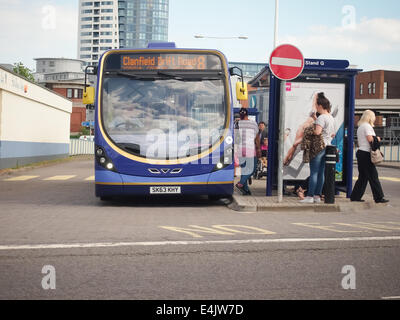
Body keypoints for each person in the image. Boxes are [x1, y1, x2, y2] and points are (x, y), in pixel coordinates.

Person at [300, 92, 335, 204]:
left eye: (316, 106)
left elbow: (317, 132)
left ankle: (309, 196)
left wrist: (310, 128)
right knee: (321, 173)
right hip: (327, 146)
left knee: (314, 172)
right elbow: (332, 134)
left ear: (320, 106)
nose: (316, 108)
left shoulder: (322, 118)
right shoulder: (331, 118)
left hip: (318, 147)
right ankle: (317, 196)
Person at [350, 110, 388, 203]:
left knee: (363, 177)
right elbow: (370, 140)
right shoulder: (367, 126)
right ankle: (379, 198)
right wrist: (377, 139)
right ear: (370, 117)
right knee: (373, 176)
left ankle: (355, 197)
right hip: (366, 153)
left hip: (361, 152)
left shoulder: (360, 127)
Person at [235, 108, 261, 195]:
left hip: (240, 149)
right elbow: (257, 138)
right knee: (252, 170)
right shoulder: (253, 123)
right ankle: (241, 183)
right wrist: (258, 149)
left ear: (240, 115)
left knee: (244, 170)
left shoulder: (237, 124)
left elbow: (236, 138)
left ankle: (246, 190)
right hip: (250, 148)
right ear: (247, 115)